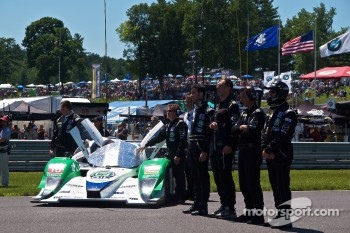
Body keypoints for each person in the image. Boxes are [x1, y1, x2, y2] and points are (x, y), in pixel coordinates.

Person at [262, 80, 297, 229]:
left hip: (281, 155)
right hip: (270, 155)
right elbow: (265, 133)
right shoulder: (272, 112)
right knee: (275, 186)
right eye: (269, 92)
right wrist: (264, 148)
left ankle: (285, 217)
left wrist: (269, 149)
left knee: (282, 186)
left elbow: (284, 134)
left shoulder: (289, 113)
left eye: (272, 92)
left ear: (281, 94)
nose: (269, 95)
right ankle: (279, 213)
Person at [137, 104, 188, 204]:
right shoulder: (168, 125)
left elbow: (183, 141)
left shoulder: (181, 124)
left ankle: (181, 197)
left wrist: (178, 155)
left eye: (170, 111)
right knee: (171, 175)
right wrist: (146, 145)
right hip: (171, 154)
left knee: (179, 177)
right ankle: (172, 195)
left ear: (176, 113)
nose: (167, 113)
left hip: (179, 155)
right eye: (167, 111)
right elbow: (159, 137)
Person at [232, 86, 266, 225]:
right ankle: (249, 211)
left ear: (251, 96)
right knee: (244, 183)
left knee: (253, 183)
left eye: (244, 96)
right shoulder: (244, 113)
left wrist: (243, 128)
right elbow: (234, 129)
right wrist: (242, 128)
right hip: (243, 151)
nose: (241, 99)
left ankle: (258, 215)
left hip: (253, 151)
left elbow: (252, 131)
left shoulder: (258, 112)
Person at [208, 78, 240, 220]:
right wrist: (212, 124)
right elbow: (214, 121)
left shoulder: (233, 105)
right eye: (217, 86)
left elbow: (234, 127)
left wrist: (230, 145)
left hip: (225, 147)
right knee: (217, 176)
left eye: (220, 85)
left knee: (226, 177)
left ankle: (230, 207)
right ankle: (223, 203)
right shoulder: (217, 104)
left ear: (228, 87)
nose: (217, 88)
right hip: (215, 146)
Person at [182, 84, 214, 216]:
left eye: (194, 92)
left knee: (202, 177)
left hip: (201, 146)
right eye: (191, 92)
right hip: (192, 145)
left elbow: (209, 134)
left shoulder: (209, 110)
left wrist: (205, 150)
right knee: (194, 176)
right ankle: (196, 202)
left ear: (201, 94)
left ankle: (203, 205)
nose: (192, 95)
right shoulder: (193, 110)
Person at [182, 93, 194, 201]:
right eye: (185, 102)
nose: (186, 104)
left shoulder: (195, 113)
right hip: (187, 144)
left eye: (188, 102)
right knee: (188, 170)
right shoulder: (186, 114)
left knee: (194, 170)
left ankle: (195, 191)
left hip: (194, 144)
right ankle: (190, 190)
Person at [0, 115, 11, 187]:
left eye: (4, 121)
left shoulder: (7, 130)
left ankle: (5, 184)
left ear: (7, 122)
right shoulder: (2, 129)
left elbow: (2, 140)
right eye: (2, 121)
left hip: (3, 151)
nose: (2, 122)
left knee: (4, 168)